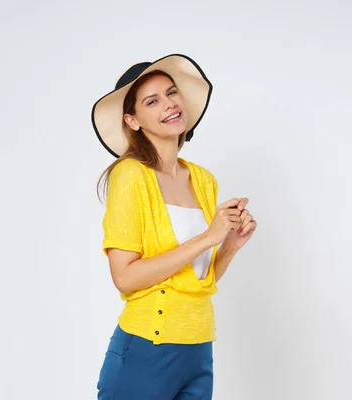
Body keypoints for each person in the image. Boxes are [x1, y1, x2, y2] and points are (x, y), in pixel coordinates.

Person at [90, 54, 257, 400]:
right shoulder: (130, 176)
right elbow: (125, 277)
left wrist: (229, 245)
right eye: (153, 101)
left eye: (171, 93)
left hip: (198, 348)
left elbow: (196, 278)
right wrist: (208, 237)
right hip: (147, 347)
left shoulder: (203, 180)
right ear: (132, 120)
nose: (169, 105)